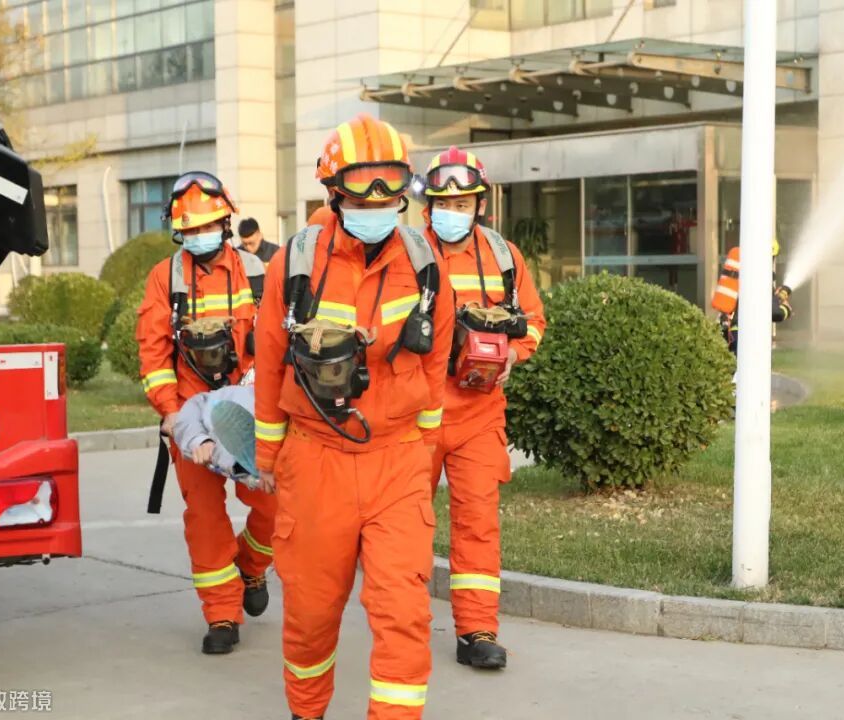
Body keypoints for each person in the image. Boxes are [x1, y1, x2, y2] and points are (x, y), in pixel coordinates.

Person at [254, 113, 454, 720]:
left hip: (397, 462)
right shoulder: (295, 264)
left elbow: (437, 359)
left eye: (388, 192)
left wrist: (422, 450)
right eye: (363, 192)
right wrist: (269, 457)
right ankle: (306, 710)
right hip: (315, 460)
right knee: (311, 614)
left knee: (404, 613)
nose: (376, 204)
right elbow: (269, 362)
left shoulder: (424, 263)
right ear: (334, 192)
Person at [136, 172, 276, 655]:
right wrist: (171, 413)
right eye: (192, 229)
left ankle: (251, 565)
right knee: (205, 517)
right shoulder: (165, 278)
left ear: (226, 223)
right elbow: (154, 353)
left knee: (274, 503)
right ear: (179, 232)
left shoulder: (257, 272)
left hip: (249, 408)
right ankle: (221, 615)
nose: (201, 235)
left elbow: (277, 341)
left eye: (209, 225)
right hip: (191, 414)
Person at [419, 146, 546, 670]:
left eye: (463, 203)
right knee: (408, 525)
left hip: (479, 412)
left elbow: (533, 320)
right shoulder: (405, 253)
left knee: (477, 523)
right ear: (427, 205)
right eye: (443, 203)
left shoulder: (503, 256)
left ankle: (477, 631)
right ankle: (405, 622)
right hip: (416, 413)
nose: (452, 212)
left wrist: (513, 352)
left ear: (480, 204)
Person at [711, 239, 792, 354]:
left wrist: (775, 297)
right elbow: (775, 313)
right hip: (746, 335)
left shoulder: (744, 273)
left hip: (730, 331)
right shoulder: (760, 277)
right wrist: (786, 309)